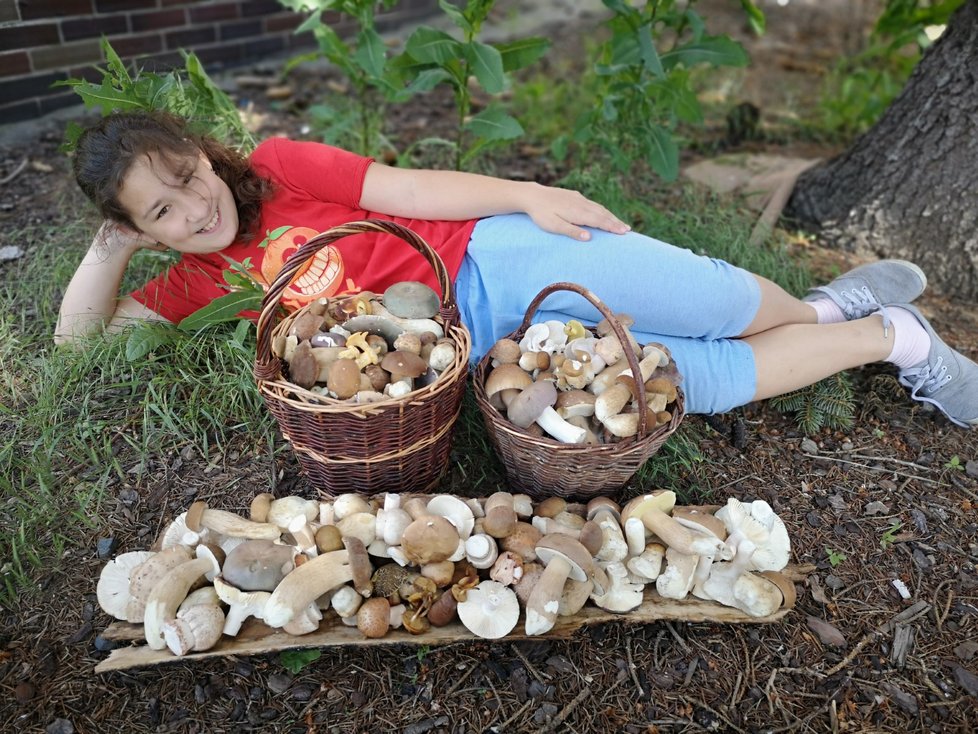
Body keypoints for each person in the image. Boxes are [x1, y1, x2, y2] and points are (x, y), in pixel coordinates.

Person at [57, 111, 977, 428]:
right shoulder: (192, 286)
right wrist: (113, 246)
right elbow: (76, 347)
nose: (194, 211)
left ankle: (820, 309)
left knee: (711, 299)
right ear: (146, 233)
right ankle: (891, 338)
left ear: (203, 156)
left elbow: (407, 182)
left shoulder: (282, 165)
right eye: (161, 214)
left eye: (186, 180)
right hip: (491, 344)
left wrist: (527, 194)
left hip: (489, 254)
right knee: (693, 379)